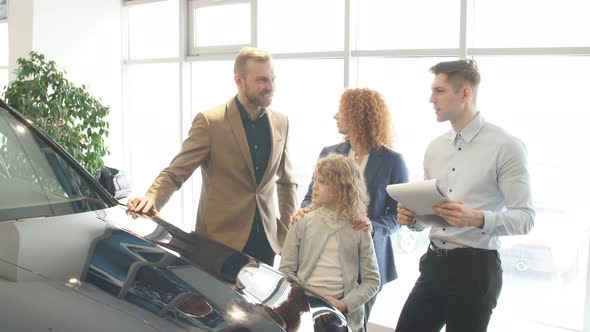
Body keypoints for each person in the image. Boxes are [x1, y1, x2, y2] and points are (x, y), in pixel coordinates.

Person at [395, 59, 535, 332]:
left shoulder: (507, 146)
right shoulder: (434, 148)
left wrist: (476, 218)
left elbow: (525, 218)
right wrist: (413, 218)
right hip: (434, 265)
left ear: (465, 93)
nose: (430, 99)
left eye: (439, 91)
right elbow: (430, 216)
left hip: (477, 270)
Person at [127, 47, 297, 266]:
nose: (270, 87)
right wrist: (151, 197)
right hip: (218, 244)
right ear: (239, 80)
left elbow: (286, 182)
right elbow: (176, 172)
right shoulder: (210, 122)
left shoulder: (281, 122)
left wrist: (288, 238)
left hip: (266, 243)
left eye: (273, 79)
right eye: (262, 80)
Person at [291, 88, 409, 326]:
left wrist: (371, 227)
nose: (336, 116)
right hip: (325, 256)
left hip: (367, 258)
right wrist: (305, 211)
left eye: (341, 111)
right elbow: (311, 197)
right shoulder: (329, 153)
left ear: (359, 115)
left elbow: (398, 214)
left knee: (355, 323)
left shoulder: (392, 161)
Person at [279, 154, 380, 332]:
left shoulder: (360, 229)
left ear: (342, 187)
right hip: (302, 309)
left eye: (323, 182)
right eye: (315, 180)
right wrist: (306, 299)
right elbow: (285, 270)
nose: (314, 187)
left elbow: (372, 281)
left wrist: (343, 304)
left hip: (342, 315)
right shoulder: (302, 221)